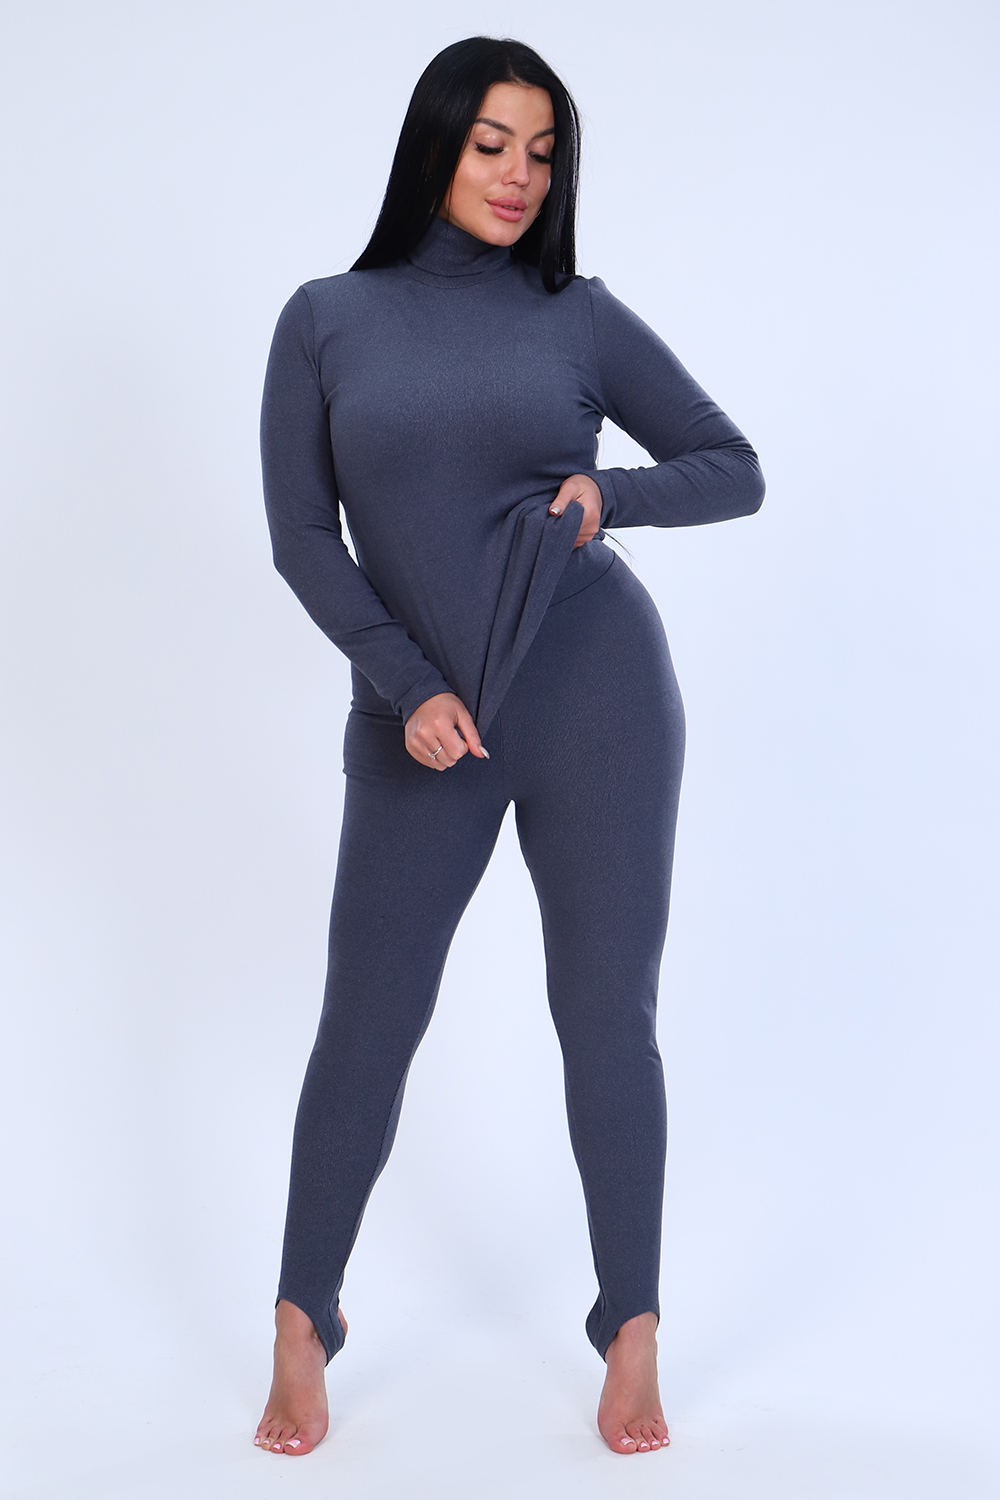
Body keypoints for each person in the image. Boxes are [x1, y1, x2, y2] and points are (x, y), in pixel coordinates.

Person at [254, 35, 764, 1459]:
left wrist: (609, 495)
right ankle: (301, 1318)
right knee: (368, 1021)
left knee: (606, 1017)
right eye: (492, 144)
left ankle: (633, 1328)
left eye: (543, 153)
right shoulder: (327, 319)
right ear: (436, 144)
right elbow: (303, 540)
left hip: (599, 698)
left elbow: (733, 468)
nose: (519, 176)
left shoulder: (578, 317)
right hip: (421, 721)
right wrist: (406, 684)